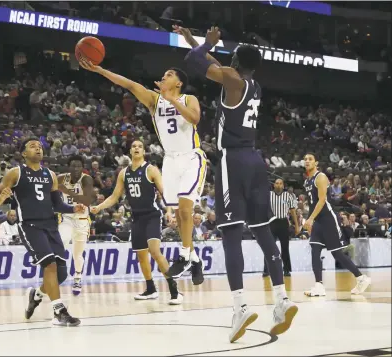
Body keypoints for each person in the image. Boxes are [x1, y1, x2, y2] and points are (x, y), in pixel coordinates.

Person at [180, 25, 297, 342]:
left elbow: (194, 61)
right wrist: (198, 42)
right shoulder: (253, 84)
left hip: (232, 161)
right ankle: (281, 299)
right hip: (257, 162)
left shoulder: (232, 79)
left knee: (230, 233)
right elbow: (217, 67)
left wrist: (202, 44)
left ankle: (240, 305)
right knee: (262, 230)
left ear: (235, 61)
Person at [79, 58, 206, 285]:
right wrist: (99, 70)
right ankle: (194, 258)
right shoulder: (154, 100)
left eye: (169, 74)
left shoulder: (189, 98)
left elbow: (194, 118)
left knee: (186, 209)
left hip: (191, 157)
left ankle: (185, 254)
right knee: (178, 214)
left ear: (178, 83)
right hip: (170, 160)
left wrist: (172, 101)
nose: (164, 76)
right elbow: (129, 85)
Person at [0, 137, 89, 327]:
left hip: (51, 226)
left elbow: (57, 204)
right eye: (32, 146)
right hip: (30, 226)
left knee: (61, 274)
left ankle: (36, 295)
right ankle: (60, 312)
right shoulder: (15, 173)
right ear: (23, 153)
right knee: (50, 266)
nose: (38, 149)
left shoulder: (50, 174)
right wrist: (1, 197)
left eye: (40, 146)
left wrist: (73, 208)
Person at [90, 140, 183, 305]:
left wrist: (169, 211)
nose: (137, 148)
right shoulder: (123, 173)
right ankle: (150, 289)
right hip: (136, 217)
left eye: (140, 146)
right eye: (133, 146)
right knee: (141, 255)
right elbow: (114, 196)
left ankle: (174, 289)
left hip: (152, 215)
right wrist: (99, 207)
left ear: (144, 150)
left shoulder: (151, 169)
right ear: (130, 151)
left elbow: (165, 193)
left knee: (154, 251)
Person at [303, 153, 371, 297]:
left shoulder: (320, 177)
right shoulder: (307, 181)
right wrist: (310, 220)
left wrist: (310, 219)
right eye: (305, 159)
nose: (307, 161)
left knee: (337, 253)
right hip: (318, 221)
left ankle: (361, 278)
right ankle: (319, 285)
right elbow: (311, 204)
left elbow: (322, 201)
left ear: (316, 163)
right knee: (315, 249)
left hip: (328, 219)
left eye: (310, 159)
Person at [57, 155, 94, 296]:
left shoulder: (87, 179)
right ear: (68, 167)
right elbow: (49, 185)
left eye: (79, 166)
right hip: (67, 217)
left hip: (82, 219)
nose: (76, 168)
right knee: (61, 243)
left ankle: (77, 277)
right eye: (73, 165)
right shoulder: (61, 178)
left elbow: (87, 201)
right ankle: (57, 275)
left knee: (77, 254)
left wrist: (67, 191)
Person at [264, 179, 299, 277]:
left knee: (285, 247)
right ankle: (266, 270)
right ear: (274, 185)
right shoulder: (268, 195)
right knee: (269, 247)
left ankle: (286, 269)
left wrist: (296, 225)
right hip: (271, 222)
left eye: (280, 184)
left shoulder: (288, 196)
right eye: (277, 183)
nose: (279, 185)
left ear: (283, 186)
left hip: (283, 222)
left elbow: (292, 212)